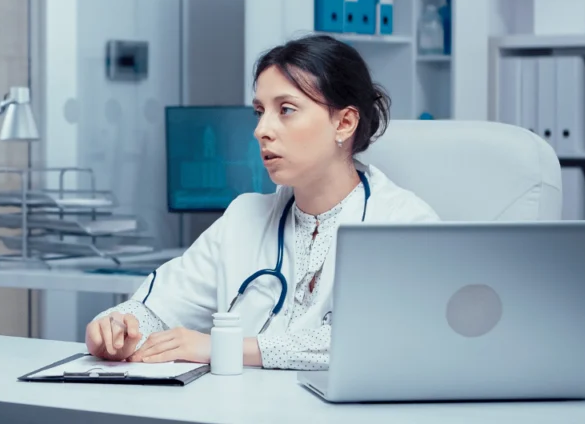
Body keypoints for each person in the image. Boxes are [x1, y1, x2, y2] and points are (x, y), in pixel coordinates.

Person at [85, 34, 440, 371]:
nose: (261, 130)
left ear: (344, 122)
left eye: (285, 109)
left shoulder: (403, 222)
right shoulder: (244, 217)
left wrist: (225, 348)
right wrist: (116, 327)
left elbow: (384, 339)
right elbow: (158, 308)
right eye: (259, 111)